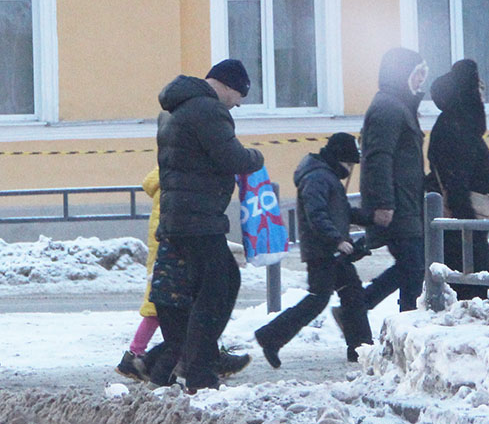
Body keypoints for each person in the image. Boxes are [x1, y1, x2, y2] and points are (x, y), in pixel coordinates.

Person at [153, 59, 264, 392]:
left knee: (213, 284)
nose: (238, 103)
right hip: (198, 217)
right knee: (217, 288)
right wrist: (257, 157)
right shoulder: (208, 110)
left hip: (180, 214)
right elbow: (233, 158)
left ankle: (173, 365)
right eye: (239, 95)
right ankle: (199, 371)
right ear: (227, 85)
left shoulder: (176, 109)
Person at [254, 133, 373, 367]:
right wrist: (337, 239)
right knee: (318, 299)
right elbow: (316, 214)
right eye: (348, 163)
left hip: (330, 250)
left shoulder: (325, 176)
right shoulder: (318, 177)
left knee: (352, 294)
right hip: (324, 251)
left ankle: (361, 348)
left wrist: (370, 218)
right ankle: (270, 336)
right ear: (339, 158)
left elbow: (341, 212)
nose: (349, 169)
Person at [360, 48, 430, 313]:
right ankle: (360, 307)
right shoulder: (389, 108)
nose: (421, 80)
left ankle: (363, 308)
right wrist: (384, 203)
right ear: (402, 74)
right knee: (413, 266)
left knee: (412, 268)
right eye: (417, 73)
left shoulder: (397, 106)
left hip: (405, 203)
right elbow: (379, 158)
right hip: (397, 205)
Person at [428, 59, 489, 301]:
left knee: (472, 283)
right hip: (462, 226)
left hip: (465, 224)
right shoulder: (456, 126)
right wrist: (469, 228)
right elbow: (456, 181)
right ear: (468, 90)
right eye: (479, 86)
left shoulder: (458, 123)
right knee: (470, 286)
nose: (482, 92)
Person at [115, 164, 163, 380]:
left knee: (160, 309)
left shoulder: (166, 178)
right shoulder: (173, 182)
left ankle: (135, 356)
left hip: (162, 252)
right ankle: (135, 356)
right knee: (158, 309)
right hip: (166, 253)